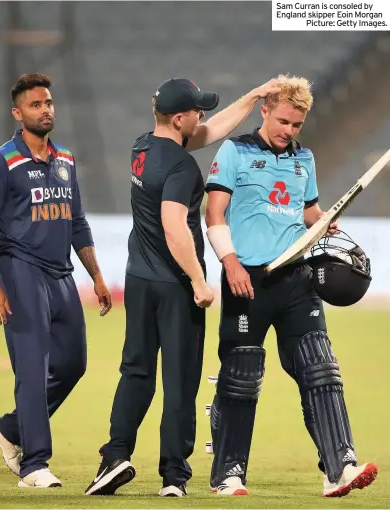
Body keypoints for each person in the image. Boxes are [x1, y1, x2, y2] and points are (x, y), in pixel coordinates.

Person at [85, 77, 280, 497]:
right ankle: (174, 476)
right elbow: (176, 227)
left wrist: (250, 97)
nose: (203, 115)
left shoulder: (143, 146)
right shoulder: (182, 167)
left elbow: (208, 132)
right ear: (179, 118)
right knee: (180, 381)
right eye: (196, 110)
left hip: (138, 279)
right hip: (175, 286)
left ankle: (114, 457)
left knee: (135, 372)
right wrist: (198, 281)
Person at [204, 74, 378, 497]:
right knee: (242, 377)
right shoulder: (234, 151)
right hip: (248, 280)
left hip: (298, 280)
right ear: (265, 110)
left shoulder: (305, 159)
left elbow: (308, 210)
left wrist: (321, 223)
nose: (288, 131)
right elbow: (214, 215)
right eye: (282, 121)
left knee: (321, 369)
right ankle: (228, 474)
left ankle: (340, 467)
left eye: (296, 125)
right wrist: (230, 263)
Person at [0, 73, 112, 489]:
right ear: (18, 113)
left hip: (61, 273)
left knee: (74, 364)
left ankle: (10, 429)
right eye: (35, 105)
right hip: (19, 270)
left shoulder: (65, 159)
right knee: (33, 369)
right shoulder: (4, 161)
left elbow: (78, 223)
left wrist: (98, 276)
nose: (45, 109)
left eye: (48, 103)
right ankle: (34, 464)